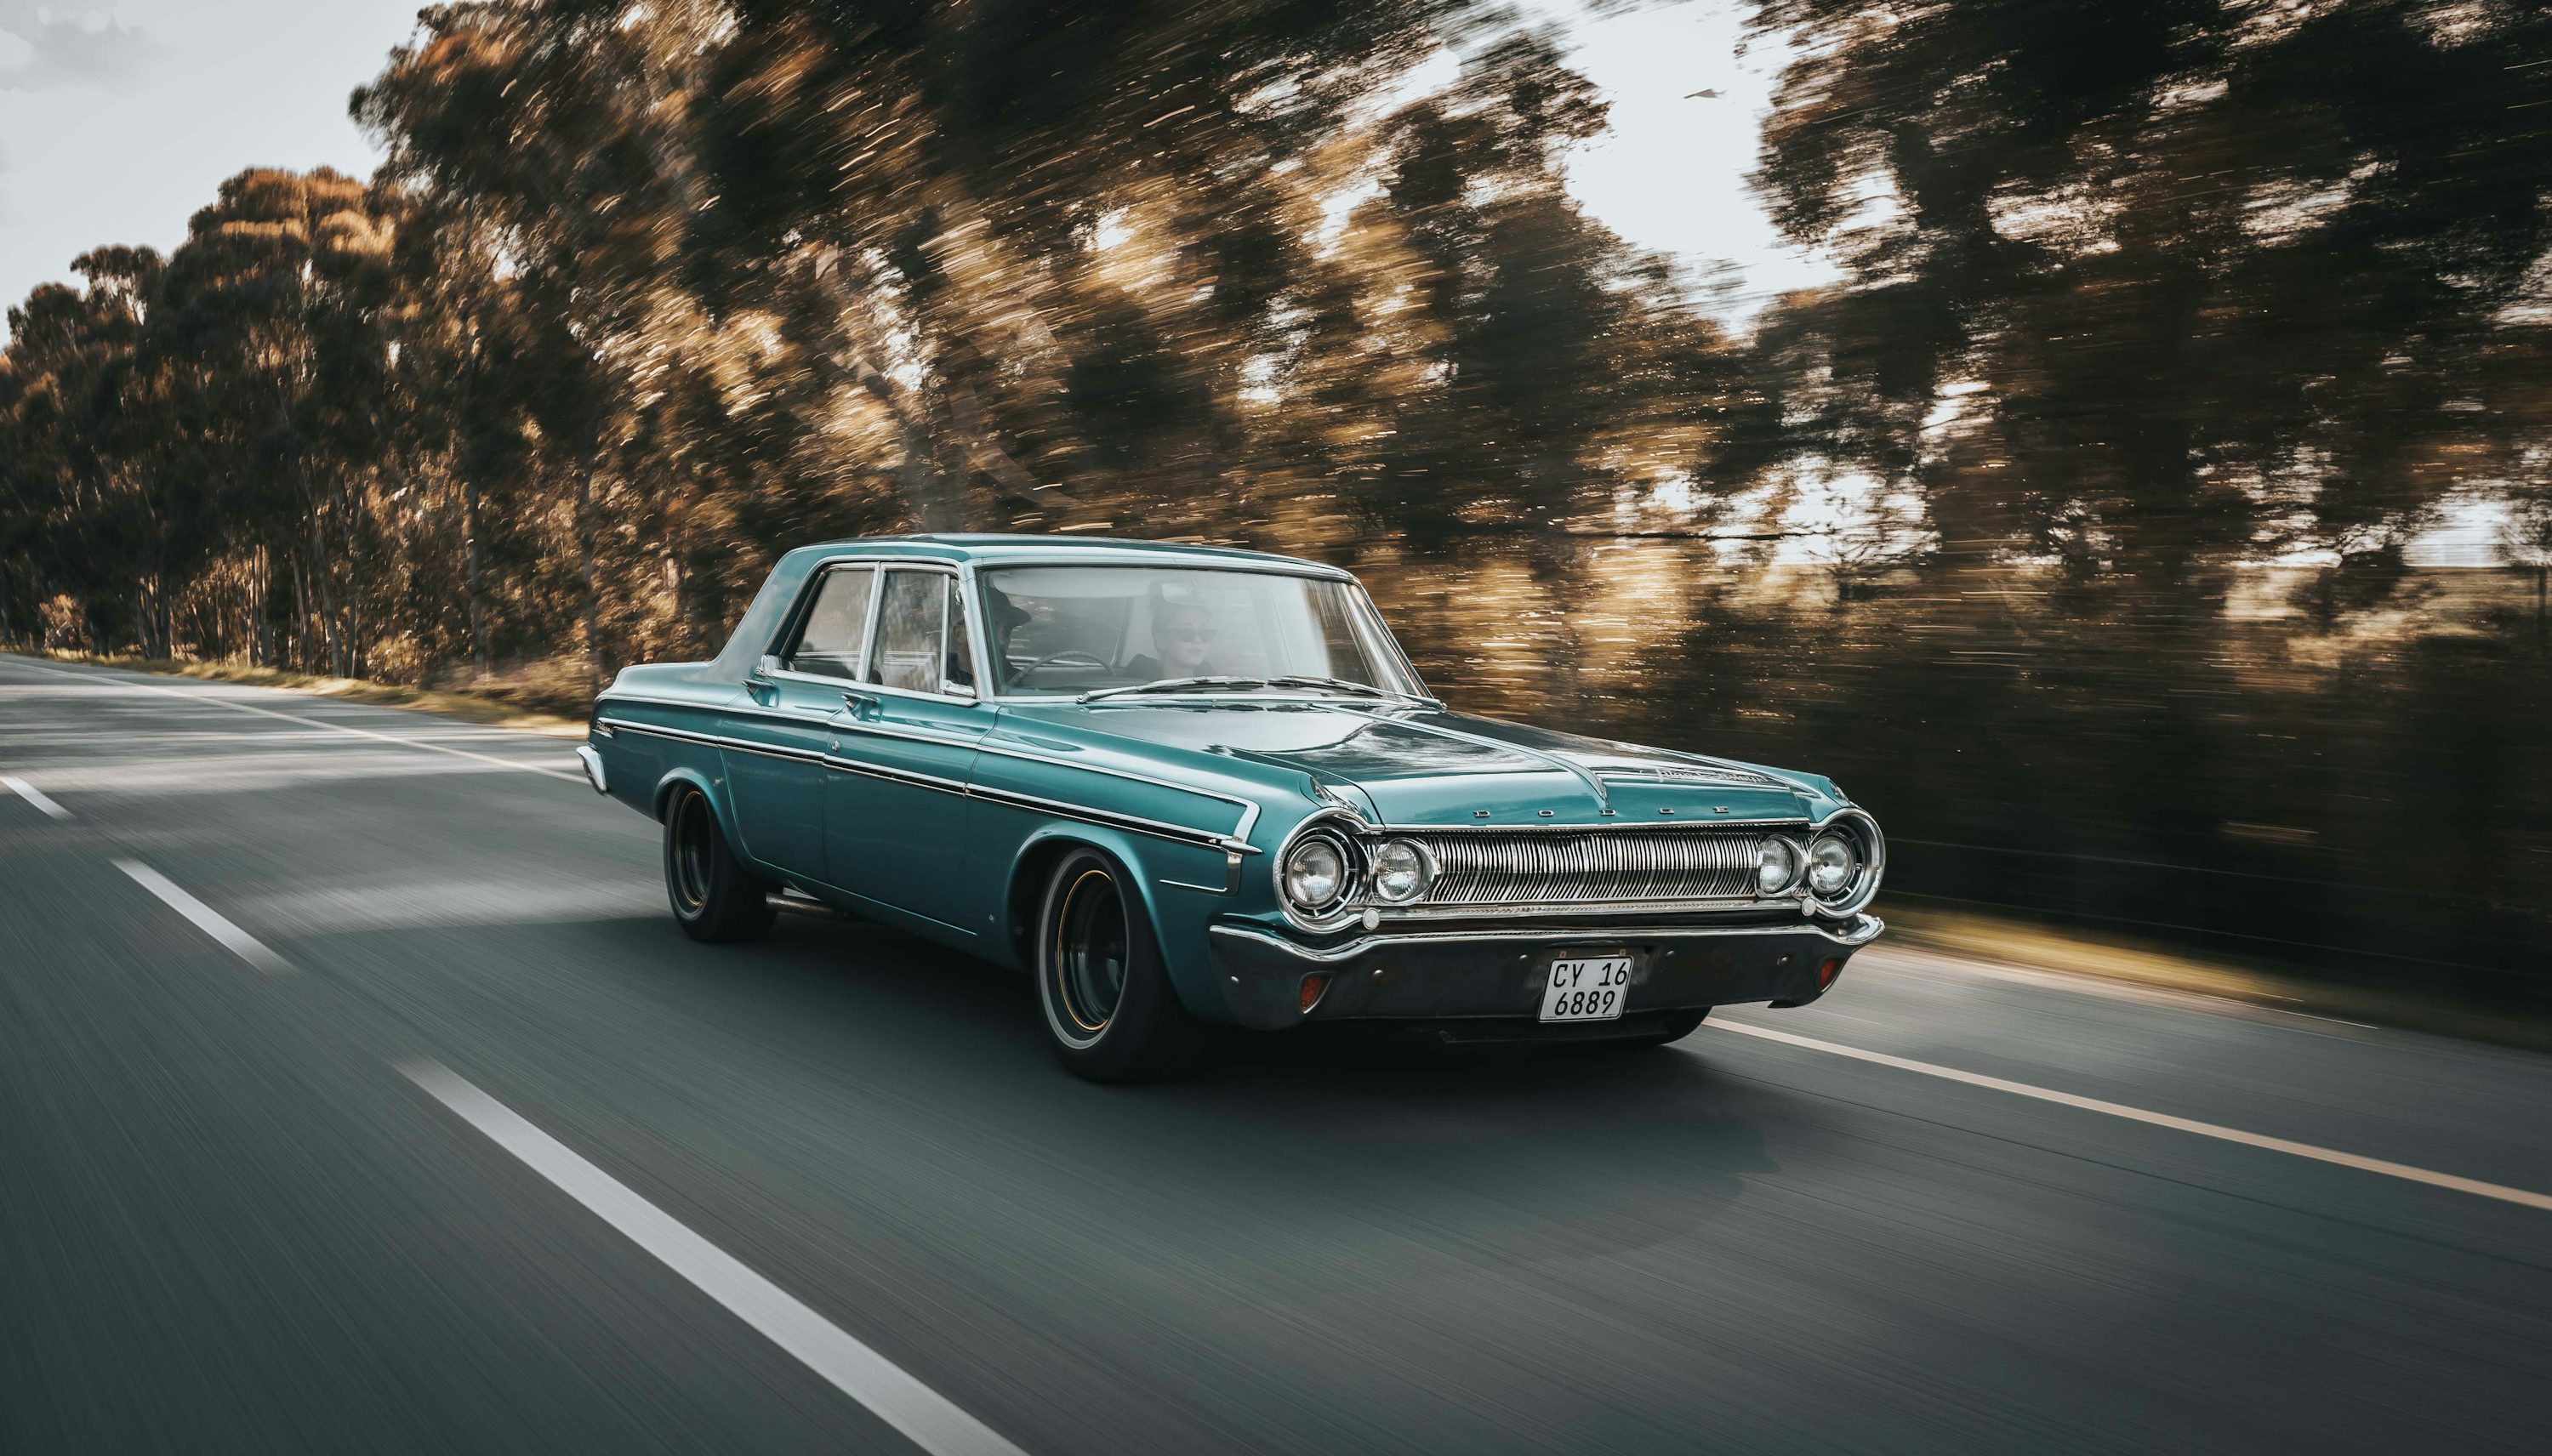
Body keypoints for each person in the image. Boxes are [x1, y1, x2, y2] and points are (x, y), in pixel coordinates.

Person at [1123, 599, 1219, 681]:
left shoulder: (1220, 688)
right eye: (1186, 631)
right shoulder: (1132, 690)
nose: (1198, 640)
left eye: (1205, 633)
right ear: (1161, 640)